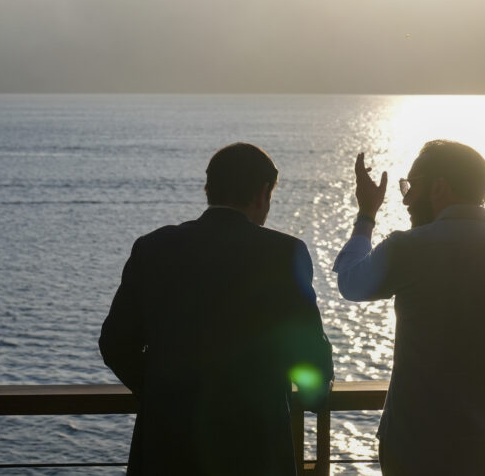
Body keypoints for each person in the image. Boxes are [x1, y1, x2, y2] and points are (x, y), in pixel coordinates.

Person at [100, 142, 333, 476]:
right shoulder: (284, 254)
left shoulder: (153, 247)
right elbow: (311, 364)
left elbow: (115, 344)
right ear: (263, 193)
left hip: (166, 450)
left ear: (208, 189)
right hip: (254, 453)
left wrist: (163, 393)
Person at [333, 141, 485, 476]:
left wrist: (367, 213)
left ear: (439, 187)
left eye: (410, 186)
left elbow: (351, 283)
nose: (406, 199)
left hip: (413, 449)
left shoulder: (407, 249)